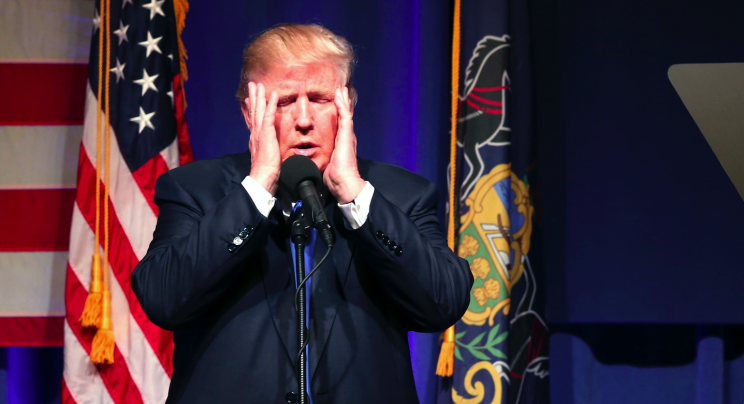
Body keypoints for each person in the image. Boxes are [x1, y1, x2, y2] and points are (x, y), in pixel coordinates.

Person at [131, 23, 473, 404]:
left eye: (321, 98)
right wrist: (258, 187)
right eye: (284, 101)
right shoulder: (195, 190)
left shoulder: (400, 195)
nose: (304, 119)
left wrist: (353, 194)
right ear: (249, 113)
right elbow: (162, 298)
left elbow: (444, 302)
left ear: (347, 108)